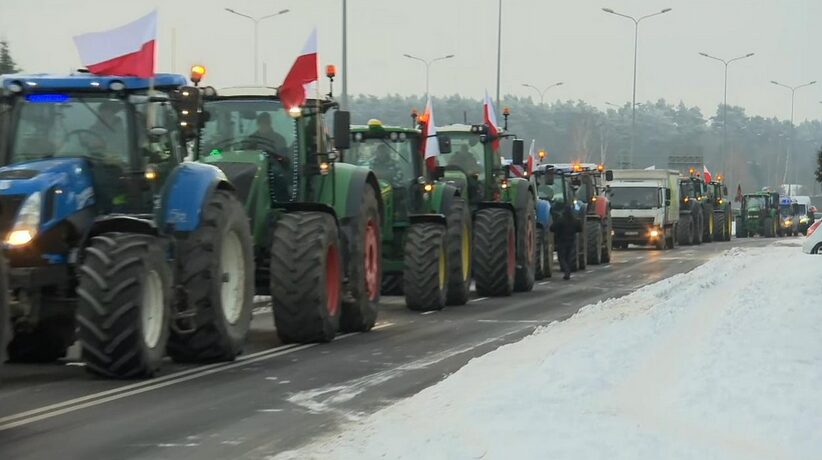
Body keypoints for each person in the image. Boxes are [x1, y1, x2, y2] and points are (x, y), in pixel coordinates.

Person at [550, 205, 582, 280]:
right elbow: (580, 229)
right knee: (568, 258)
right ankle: (568, 272)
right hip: (571, 241)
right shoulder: (575, 220)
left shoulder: (560, 220)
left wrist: (557, 232)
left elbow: (552, 228)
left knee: (562, 258)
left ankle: (567, 271)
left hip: (562, 241)